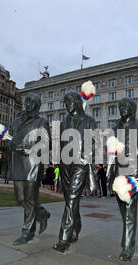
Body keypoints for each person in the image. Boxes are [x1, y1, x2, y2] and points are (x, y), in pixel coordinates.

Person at [53, 91, 98, 253]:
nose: (68, 104)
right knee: (69, 199)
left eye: (70, 101)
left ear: (78, 102)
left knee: (72, 197)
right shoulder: (64, 122)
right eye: (66, 102)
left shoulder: (89, 121)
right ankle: (76, 225)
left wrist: (87, 157)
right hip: (65, 165)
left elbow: (95, 142)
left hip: (80, 163)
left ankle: (63, 238)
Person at [7, 93, 52, 246]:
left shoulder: (42, 121)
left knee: (30, 199)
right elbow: (11, 138)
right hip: (18, 163)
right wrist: (10, 144)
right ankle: (42, 214)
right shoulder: (16, 121)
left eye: (32, 101)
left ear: (38, 104)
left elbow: (46, 144)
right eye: (27, 100)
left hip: (32, 164)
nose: (29, 103)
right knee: (20, 198)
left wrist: (28, 149)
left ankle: (27, 232)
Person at [107, 98, 138, 261]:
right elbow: (112, 154)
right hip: (118, 174)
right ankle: (127, 236)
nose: (122, 108)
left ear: (133, 108)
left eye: (125, 106)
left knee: (130, 210)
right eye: (120, 106)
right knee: (123, 209)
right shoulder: (115, 129)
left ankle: (129, 246)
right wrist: (110, 173)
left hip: (133, 173)